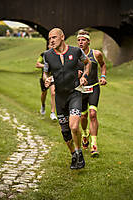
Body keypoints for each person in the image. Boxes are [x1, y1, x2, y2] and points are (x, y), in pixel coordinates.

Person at [43, 28, 91, 169]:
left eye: (54, 37)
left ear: (62, 37)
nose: (51, 40)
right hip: (59, 97)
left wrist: (84, 77)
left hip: (74, 93)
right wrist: (47, 80)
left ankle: (79, 152)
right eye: (49, 38)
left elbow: (87, 63)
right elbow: (45, 73)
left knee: (74, 126)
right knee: (65, 133)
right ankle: (74, 155)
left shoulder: (76, 51)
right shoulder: (47, 55)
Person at [77, 29, 107, 157]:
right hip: (81, 90)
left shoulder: (97, 54)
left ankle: (94, 145)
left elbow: (103, 65)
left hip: (94, 87)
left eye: (83, 40)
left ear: (88, 41)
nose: (80, 42)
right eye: (78, 40)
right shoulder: (75, 55)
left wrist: (103, 76)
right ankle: (85, 134)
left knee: (93, 114)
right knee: (83, 117)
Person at [36, 44, 57, 120]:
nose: (52, 46)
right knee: (44, 93)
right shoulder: (43, 54)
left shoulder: (57, 54)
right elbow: (37, 64)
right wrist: (46, 66)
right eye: (50, 45)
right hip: (44, 77)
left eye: (53, 45)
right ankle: (43, 105)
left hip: (53, 77)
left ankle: (53, 113)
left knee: (53, 93)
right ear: (48, 46)